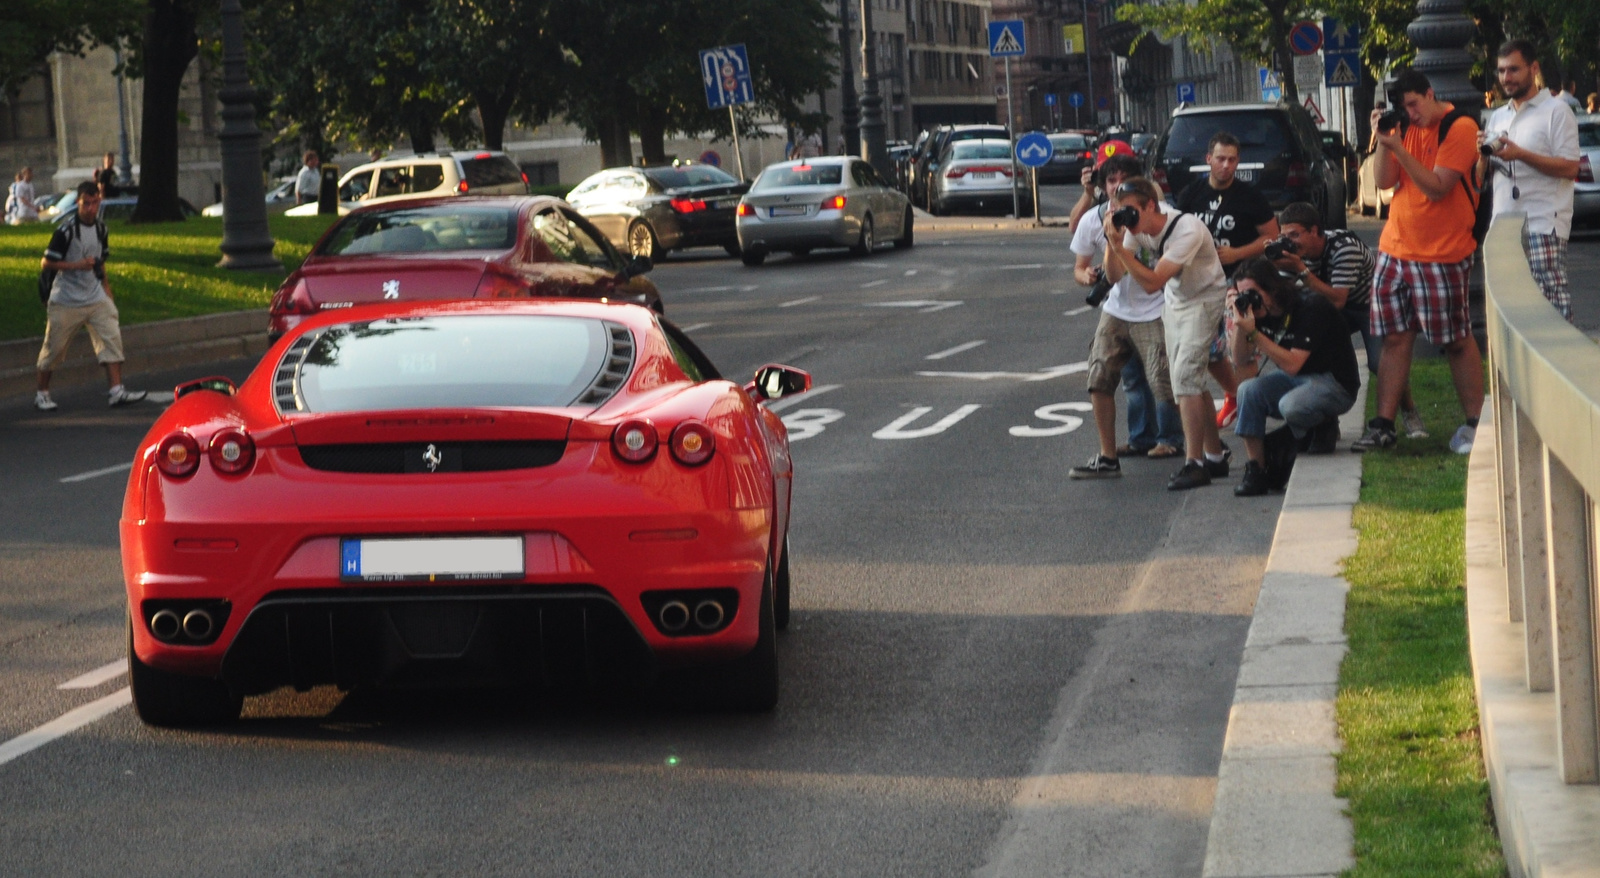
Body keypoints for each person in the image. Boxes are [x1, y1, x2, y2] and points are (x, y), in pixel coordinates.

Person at [1356, 68, 1484, 454]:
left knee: (1456, 340)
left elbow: (1438, 187)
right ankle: (1383, 423)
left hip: (1442, 254)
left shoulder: (1458, 127)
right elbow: (1382, 182)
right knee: (1394, 338)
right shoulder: (1403, 128)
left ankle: (1477, 421)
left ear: (1429, 93)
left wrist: (1399, 148)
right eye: (1403, 107)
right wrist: (1384, 142)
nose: (1410, 114)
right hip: (1396, 249)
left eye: (1414, 104)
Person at [1102, 177, 1232, 490]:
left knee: (1186, 376)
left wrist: (1122, 249)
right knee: (1184, 381)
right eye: (1121, 213)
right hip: (1176, 302)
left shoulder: (1186, 229)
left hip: (1205, 298)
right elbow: (1114, 275)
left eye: (1131, 212)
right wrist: (1113, 244)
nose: (1127, 220)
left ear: (1151, 206)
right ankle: (1214, 456)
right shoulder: (1136, 229)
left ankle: (1194, 462)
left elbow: (1151, 282)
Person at [1067, 153, 1183, 479]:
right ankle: (1108, 455)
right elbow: (1105, 274)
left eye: (1125, 182)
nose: (1117, 188)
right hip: (1116, 309)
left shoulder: (1159, 218)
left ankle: (1183, 443)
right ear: (1104, 187)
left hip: (1156, 308)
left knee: (1164, 381)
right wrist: (1110, 244)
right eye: (1111, 182)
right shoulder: (1097, 220)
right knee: (1100, 376)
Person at [1272, 201, 1427, 438]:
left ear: (1314, 230)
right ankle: (1324, 419)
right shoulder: (1292, 255)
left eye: (1295, 235)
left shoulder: (1343, 247)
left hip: (1367, 305)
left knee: (1379, 361)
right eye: (1284, 236)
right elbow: (1283, 299)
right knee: (1308, 353)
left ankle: (1409, 411)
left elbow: (1338, 300)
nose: (1289, 242)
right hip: (1325, 309)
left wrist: (1301, 270)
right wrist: (1273, 269)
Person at [1173, 131, 1279, 430]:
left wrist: (1237, 253)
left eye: (1232, 160)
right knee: (1206, 347)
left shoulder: (1249, 197)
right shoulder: (1192, 194)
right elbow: (1176, 232)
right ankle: (1233, 395)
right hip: (1200, 283)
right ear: (1209, 160)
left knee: (1240, 347)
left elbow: (1272, 236)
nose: (1226, 165)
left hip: (1237, 281)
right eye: (1220, 159)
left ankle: (1249, 408)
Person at [1229, 258, 1360, 495]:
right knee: (1247, 390)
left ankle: (1323, 424)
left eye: (1253, 293)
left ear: (1272, 288)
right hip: (1297, 380)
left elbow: (1291, 365)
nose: (1249, 300)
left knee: (1290, 406)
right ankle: (1256, 469)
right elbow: (1240, 360)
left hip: (1335, 383)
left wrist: (1255, 333)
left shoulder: (1310, 306)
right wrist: (1239, 324)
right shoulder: (1256, 313)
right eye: (1242, 294)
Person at [1482, 40, 1581, 321]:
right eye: (1501, 71)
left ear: (1533, 68)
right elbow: (1482, 179)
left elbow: (1570, 167)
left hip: (1542, 223)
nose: (1506, 78)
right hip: (1502, 227)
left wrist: (1520, 154)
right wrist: (1481, 156)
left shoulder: (1557, 111)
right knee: (1511, 314)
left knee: (1550, 311)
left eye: (1513, 69)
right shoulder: (1498, 116)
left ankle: (1563, 363)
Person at [35, 182, 148, 411]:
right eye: (86, 203)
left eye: (95, 203)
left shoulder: (101, 229)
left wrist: (106, 288)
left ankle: (116, 390)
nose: (91, 208)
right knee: (53, 348)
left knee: (111, 337)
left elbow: (100, 261)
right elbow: (46, 262)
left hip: (94, 296)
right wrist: (76, 265)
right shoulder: (66, 231)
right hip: (66, 298)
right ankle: (42, 394)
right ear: (78, 202)